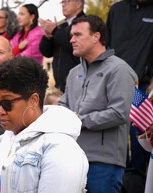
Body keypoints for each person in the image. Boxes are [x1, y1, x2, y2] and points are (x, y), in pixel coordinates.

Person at [0, 57, 88, 192]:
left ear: (33, 100)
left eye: (7, 103)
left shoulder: (61, 148)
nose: (0, 111)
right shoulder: (0, 143)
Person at [59, 15, 138, 193]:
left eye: (78, 35)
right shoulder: (74, 73)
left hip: (104, 163)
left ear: (96, 37)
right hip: (71, 158)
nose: (72, 40)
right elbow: (63, 106)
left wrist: (79, 120)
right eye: (71, 35)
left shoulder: (119, 70)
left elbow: (120, 113)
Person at [107, 0, 153, 178]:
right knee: (114, 131)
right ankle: (119, 175)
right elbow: (106, 44)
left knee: (139, 134)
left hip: (141, 85)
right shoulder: (117, 9)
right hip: (114, 82)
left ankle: (137, 179)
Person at [39, 0, 85, 92]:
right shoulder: (61, 26)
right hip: (59, 85)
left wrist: (55, 31)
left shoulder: (86, 23)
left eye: (67, 1)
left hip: (79, 83)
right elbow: (47, 53)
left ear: (79, 3)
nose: (63, 5)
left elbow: (75, 45)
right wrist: (48, 37)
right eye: (62, 2)